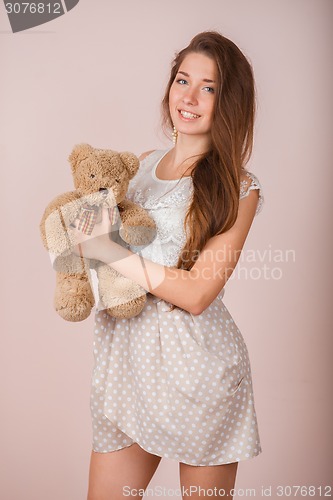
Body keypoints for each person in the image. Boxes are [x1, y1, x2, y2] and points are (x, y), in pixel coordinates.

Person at [71, 30, 264, 500]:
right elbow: (86, 252)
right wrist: (80, 232)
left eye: (209, 87)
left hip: (196, 368)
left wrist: (111, 251)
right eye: (183, 80)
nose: (190, 97)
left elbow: (198, 293)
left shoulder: (240, 187)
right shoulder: (137, 167)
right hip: (127, 366)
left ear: (229, 101)